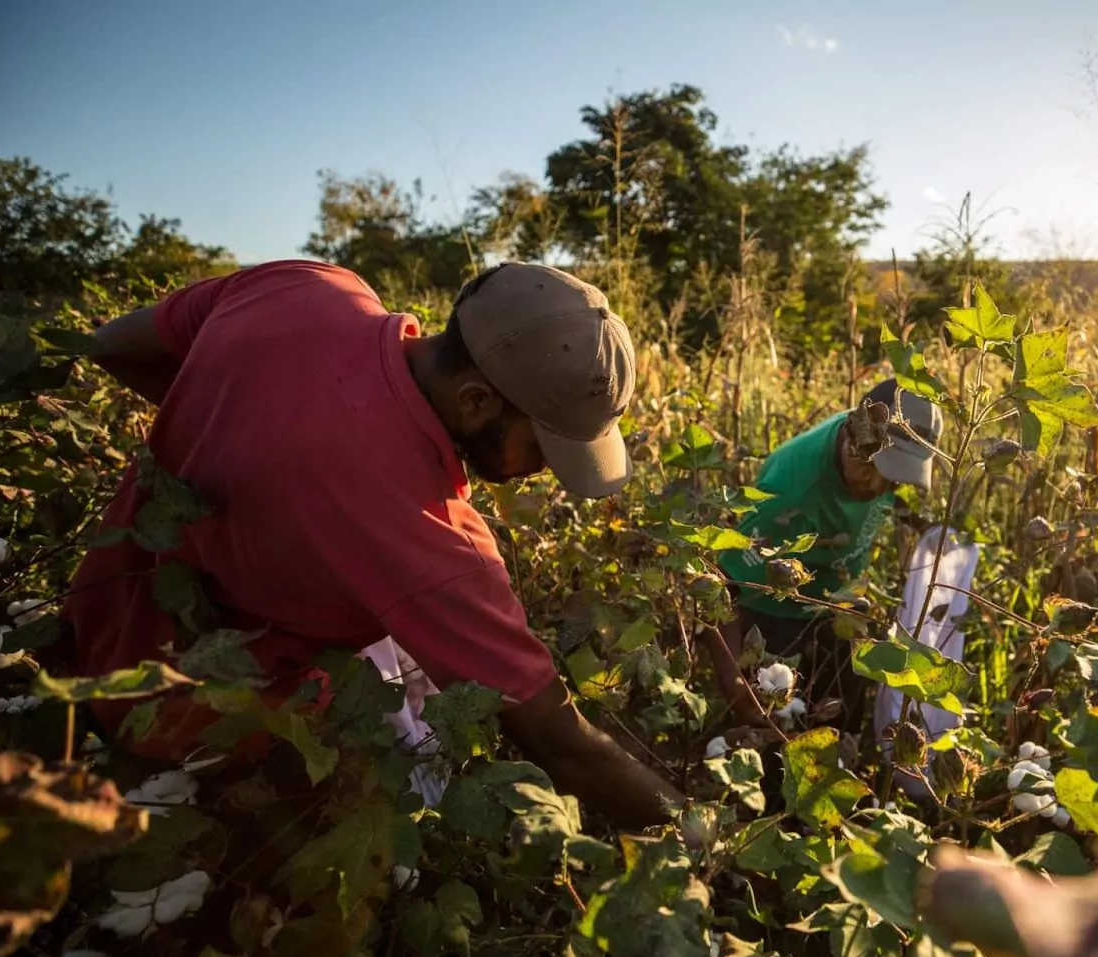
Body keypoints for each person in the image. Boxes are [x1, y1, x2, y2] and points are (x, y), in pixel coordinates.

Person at [63, 259, 684, 830]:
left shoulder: (303, 288)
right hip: (187, 731)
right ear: (475, 401)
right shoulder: (424, 534)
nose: (544, 473)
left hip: (91, 620)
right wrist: (698, 832)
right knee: (387, 825)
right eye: (543, 448)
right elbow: (561, 743)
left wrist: (238, 440)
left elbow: (114, 343)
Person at [702, 378, 942, 727]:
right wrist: (732, 680)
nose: (880, 488)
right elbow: (725, 586)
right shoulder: (789, 497)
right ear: (852, 441)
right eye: (877, 470)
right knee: (774, 736)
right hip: (772, 622)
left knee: (840, 727)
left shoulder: (875, 433)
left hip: (839, 612)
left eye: (895, 479)